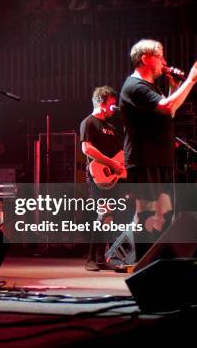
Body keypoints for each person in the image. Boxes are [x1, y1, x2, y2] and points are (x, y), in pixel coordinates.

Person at [119, 39, 197, 259]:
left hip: (158, 157)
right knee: (146, 212)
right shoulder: (134, 86)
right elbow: (166, 107)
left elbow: (170, 110)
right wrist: (191, 81)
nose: (164, 62)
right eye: (160, 56)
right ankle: (144, 265)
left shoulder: (149, 87)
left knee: (162, 214)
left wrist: (175, 87)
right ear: (145, 59)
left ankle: (156, 262)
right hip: (145, 158)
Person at [80, 86, 125, 271]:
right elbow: (87, 149)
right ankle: (90, 257)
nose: (113, 109)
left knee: (110, 218)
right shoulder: (89, 122)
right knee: (103, 213)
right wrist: (111, 164)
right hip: (96, 176)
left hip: (112, 179)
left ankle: (101, 258)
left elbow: (121, 154)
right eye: (111, 105)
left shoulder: (112, 128)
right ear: (100, 102)